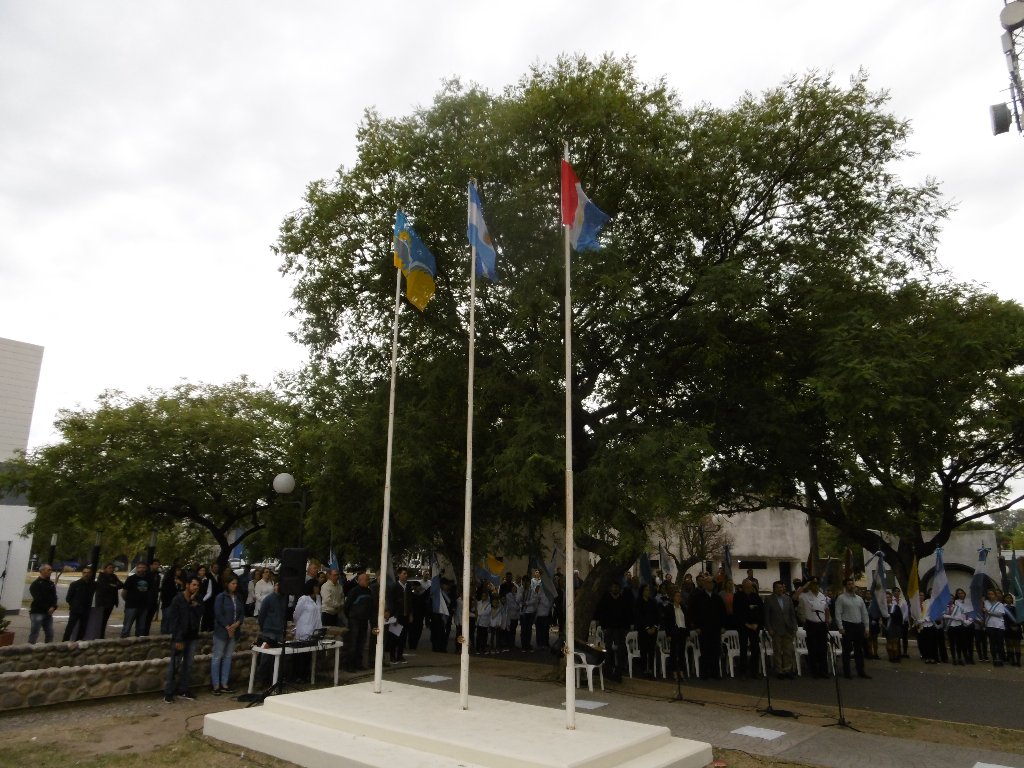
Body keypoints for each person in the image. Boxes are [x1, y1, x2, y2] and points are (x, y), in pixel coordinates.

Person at [163, 576, 203, 703]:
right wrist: (178, 639)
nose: (196, 587)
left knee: (188, 664)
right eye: (194, 585)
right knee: (174, 664)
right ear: (187, 585)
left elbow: (201, 613)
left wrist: (194, 604)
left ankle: (183, 689)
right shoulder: (178, 600)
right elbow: (174, 621)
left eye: (197, 585)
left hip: (192, 635)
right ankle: (168, 691)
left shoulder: (197, 599)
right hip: (180, 637)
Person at [211, 574, 243, 695]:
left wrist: (237, 624)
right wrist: (228, 627)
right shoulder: (221, 597)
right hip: (222, 631)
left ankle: (224, 683)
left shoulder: (238, 597)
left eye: (236, 584)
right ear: (227, 584)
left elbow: (241, 613)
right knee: (217, 657)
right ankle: (216, 684)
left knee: (228, 657)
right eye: (232, 583)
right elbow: (218, 613)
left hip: (234, 630)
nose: (235, 586)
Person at [833, 577, 871, 679]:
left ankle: (861, 671)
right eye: (849, 584)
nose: (851, 586)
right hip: (847, 625)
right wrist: (840, 627)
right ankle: (847, 672)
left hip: (858, 626)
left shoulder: (859, 599)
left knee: (859, 650)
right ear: (845, 586)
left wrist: (866, 628)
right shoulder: (841, 598)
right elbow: (838, 613)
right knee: (847, 650)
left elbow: (864, 614)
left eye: (852, 584)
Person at [595, 580, 632, 682]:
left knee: (621, 651)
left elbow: (626, 614)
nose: (615, 589)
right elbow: (601, 613)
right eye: (613, 587)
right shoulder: (605, 599)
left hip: (620, 629)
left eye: (617, 587)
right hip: (609, 628)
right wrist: (604, 626)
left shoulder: (622, 599)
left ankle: (618, 672)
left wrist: (626, 627)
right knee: (608, 650)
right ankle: (608, 671)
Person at [690, 574, 725, 679]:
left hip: (715, 629)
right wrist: (696, 626)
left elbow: (722, 613)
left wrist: (723, 626)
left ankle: (715, 672)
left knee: (715, 651)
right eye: (708, 583)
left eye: (712, 583)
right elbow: (693, 613)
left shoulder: (717, 598)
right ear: (704, 584)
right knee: (705, 651)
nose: (710, 585)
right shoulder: (698, 597)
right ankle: (704, 673)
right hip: (703, 629)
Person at [763, 580, 798, 679]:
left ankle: (787, 669)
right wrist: (769, 628)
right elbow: (767, 616)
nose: (780, 589)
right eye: (778, 587)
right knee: (777, 650)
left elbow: (792, 614)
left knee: (788, 650)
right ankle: (779, 670)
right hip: (776, 629)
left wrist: (794, 626)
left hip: (788, 628)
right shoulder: (769, 599)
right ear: (774, 589)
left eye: (782, 587)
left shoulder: (788, 599)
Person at [797, 576, 830, 677]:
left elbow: (826, 609)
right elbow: (795, 597)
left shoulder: (823, 596)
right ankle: (814, 671)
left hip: (822, 625)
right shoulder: (804, 596)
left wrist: (827, 621)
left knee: (823, 649)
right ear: (810, 585)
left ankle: (823, 671)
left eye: (817, 584)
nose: (816, 586)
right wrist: (804, 586)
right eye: (813, 584)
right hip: (811, 625)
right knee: (813, 649)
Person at [734, 578, 763, 678]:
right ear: (743, 587)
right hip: (743, 627)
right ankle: (743, 671)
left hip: (754, 627)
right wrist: (746, 624)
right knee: (743, 649)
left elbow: (760, 611)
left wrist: (756, 624)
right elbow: (737, 613)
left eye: (750, 587)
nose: (748, 589)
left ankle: (754, 671)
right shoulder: (738, 597)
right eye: (746, 587)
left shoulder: (755, 597)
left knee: (755, 649)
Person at [344, 571, 372, 671]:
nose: (368, 581)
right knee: (353, 643)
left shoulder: (369, 591)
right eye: (366, 579)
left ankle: (358, 664)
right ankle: (349, 665)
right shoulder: (354, 591)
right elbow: (347, 606)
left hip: (364, 620)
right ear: (360, 580)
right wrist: (351, 617)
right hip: (354, 620)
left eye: (368, 579)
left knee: (361, 643)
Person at [62, 565, 95, 642]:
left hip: (86, 609)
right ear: (82, 573)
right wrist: (74, 605)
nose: (86, 574)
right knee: (70, 627)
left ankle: (78, 642)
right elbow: (68, 598)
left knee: (83, 627)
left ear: (91, 574)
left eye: (88, 573)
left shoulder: (93, 585)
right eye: (84, 572)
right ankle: (64, 642)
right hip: (75, 609)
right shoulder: (75, 584)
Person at [634, 583, 660, 677]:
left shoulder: (652, 602)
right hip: (643, 630)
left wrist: (654, 627)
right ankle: (644, 670)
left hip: (653, 630)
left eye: (649, 590)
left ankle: (651, 670)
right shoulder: (638, 602)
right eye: (646, 590)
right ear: (642, 591)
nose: (648, 592)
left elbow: (657, 615)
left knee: (651, 650)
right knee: (644, 651)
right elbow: (639, 617)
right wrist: (647, 628)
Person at [120, 562, 152, 637]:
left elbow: (150, 591)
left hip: (143, 606)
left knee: (141, 628)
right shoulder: (131, 578)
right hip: (131, 606)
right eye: (139, 567)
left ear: (146, 569)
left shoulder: (149, 579)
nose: (141, 569)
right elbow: (124, 593)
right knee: (127, 627)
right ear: (136, 568)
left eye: (143, 567)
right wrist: (128, 601)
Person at [28, 563, 58, 644]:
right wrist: (47, 608)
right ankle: (29, 649)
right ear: (42, 571)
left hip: (48, 613)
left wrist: (53, 607)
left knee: (50, 633)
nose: (50, 571)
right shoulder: (35, 584)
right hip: (37, 612)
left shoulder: (51, 584)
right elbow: (38, 599)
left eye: (51, 570)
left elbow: (54, 597)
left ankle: (48, 650)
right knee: (35, 633)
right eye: (48, 570)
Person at [94, 562, 123, 639]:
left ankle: (101, 635)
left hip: (111, 602)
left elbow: (120, 585)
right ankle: (98, 636)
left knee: (105, 620)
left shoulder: (114, 576)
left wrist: (113, 585)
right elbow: (105, 587)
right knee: (100, 620)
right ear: (105, 569)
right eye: (109, 568)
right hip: (102, 602)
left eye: (112, 568)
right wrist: (114, 585)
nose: (111, 569)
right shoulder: (102, 577)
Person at [982, 588, 1007, 667]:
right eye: (989, 594)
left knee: (1000, 643)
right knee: (992, 643)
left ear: (995, 595)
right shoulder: (985, 602)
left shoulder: (1000, 604)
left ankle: (1000, 658)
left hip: (999, 626)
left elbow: (1001, 613)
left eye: (992, 594)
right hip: (990, 625)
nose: (990, 595)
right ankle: (995, 659)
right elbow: (984, 610)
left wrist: (988, 612)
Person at [143, 559, 162, 635]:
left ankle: (145, 634)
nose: (157, 566)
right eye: (155, 564)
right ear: (151, 565)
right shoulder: (146, 574)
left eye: (158, 564)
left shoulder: (157, 575)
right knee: (143, 620)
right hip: (146, 600)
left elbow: (156, 587)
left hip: (154, 600)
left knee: (148, 621)